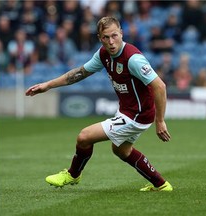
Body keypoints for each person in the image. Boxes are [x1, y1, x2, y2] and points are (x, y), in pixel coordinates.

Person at [25, 16, 172, 192]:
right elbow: (79, 73)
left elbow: (160, 87)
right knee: (121, 151)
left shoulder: (132, 59)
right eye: (106, 37)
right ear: (99, 38)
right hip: (128, 112)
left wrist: (160, 120)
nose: (111, 42)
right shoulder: (103, 54)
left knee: (84, 137)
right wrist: (47, 85)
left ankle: (73, 174)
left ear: (121, 33)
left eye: (114, 35)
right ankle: (160, 184)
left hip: (137, 115)